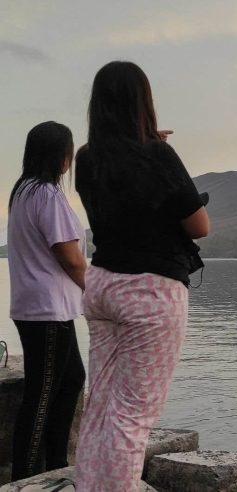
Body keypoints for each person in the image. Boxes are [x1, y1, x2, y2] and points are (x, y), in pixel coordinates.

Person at [74, 61, 209, 491]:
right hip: (150, 293)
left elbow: (122, 186)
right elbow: (199, 225)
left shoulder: (87, 158)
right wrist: (157, 151)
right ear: (142, 102)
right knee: (132, 415)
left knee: (100, 407)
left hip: (102, 285)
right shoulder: (159, 156)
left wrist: (149, 150)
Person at [7, 121, 87, 480]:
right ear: (61, 156)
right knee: (42, 396)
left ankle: (56, 467)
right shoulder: (48, 195)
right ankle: (26, 478)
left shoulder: (23, 191)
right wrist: (97, 290)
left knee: (71, 381)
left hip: (39, 307)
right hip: (47, 310)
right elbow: (68, 255)